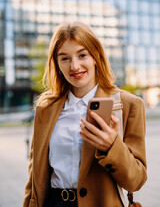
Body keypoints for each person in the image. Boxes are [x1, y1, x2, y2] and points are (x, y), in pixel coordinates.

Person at [22, 22, 147, 207]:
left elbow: (136, 181)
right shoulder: (45, 109)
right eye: (64, 58)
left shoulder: (129, 105)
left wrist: (112, 146)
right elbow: (34, 178)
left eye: (82, 55)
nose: (75, 66)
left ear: (96, 55)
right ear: (57, 63)